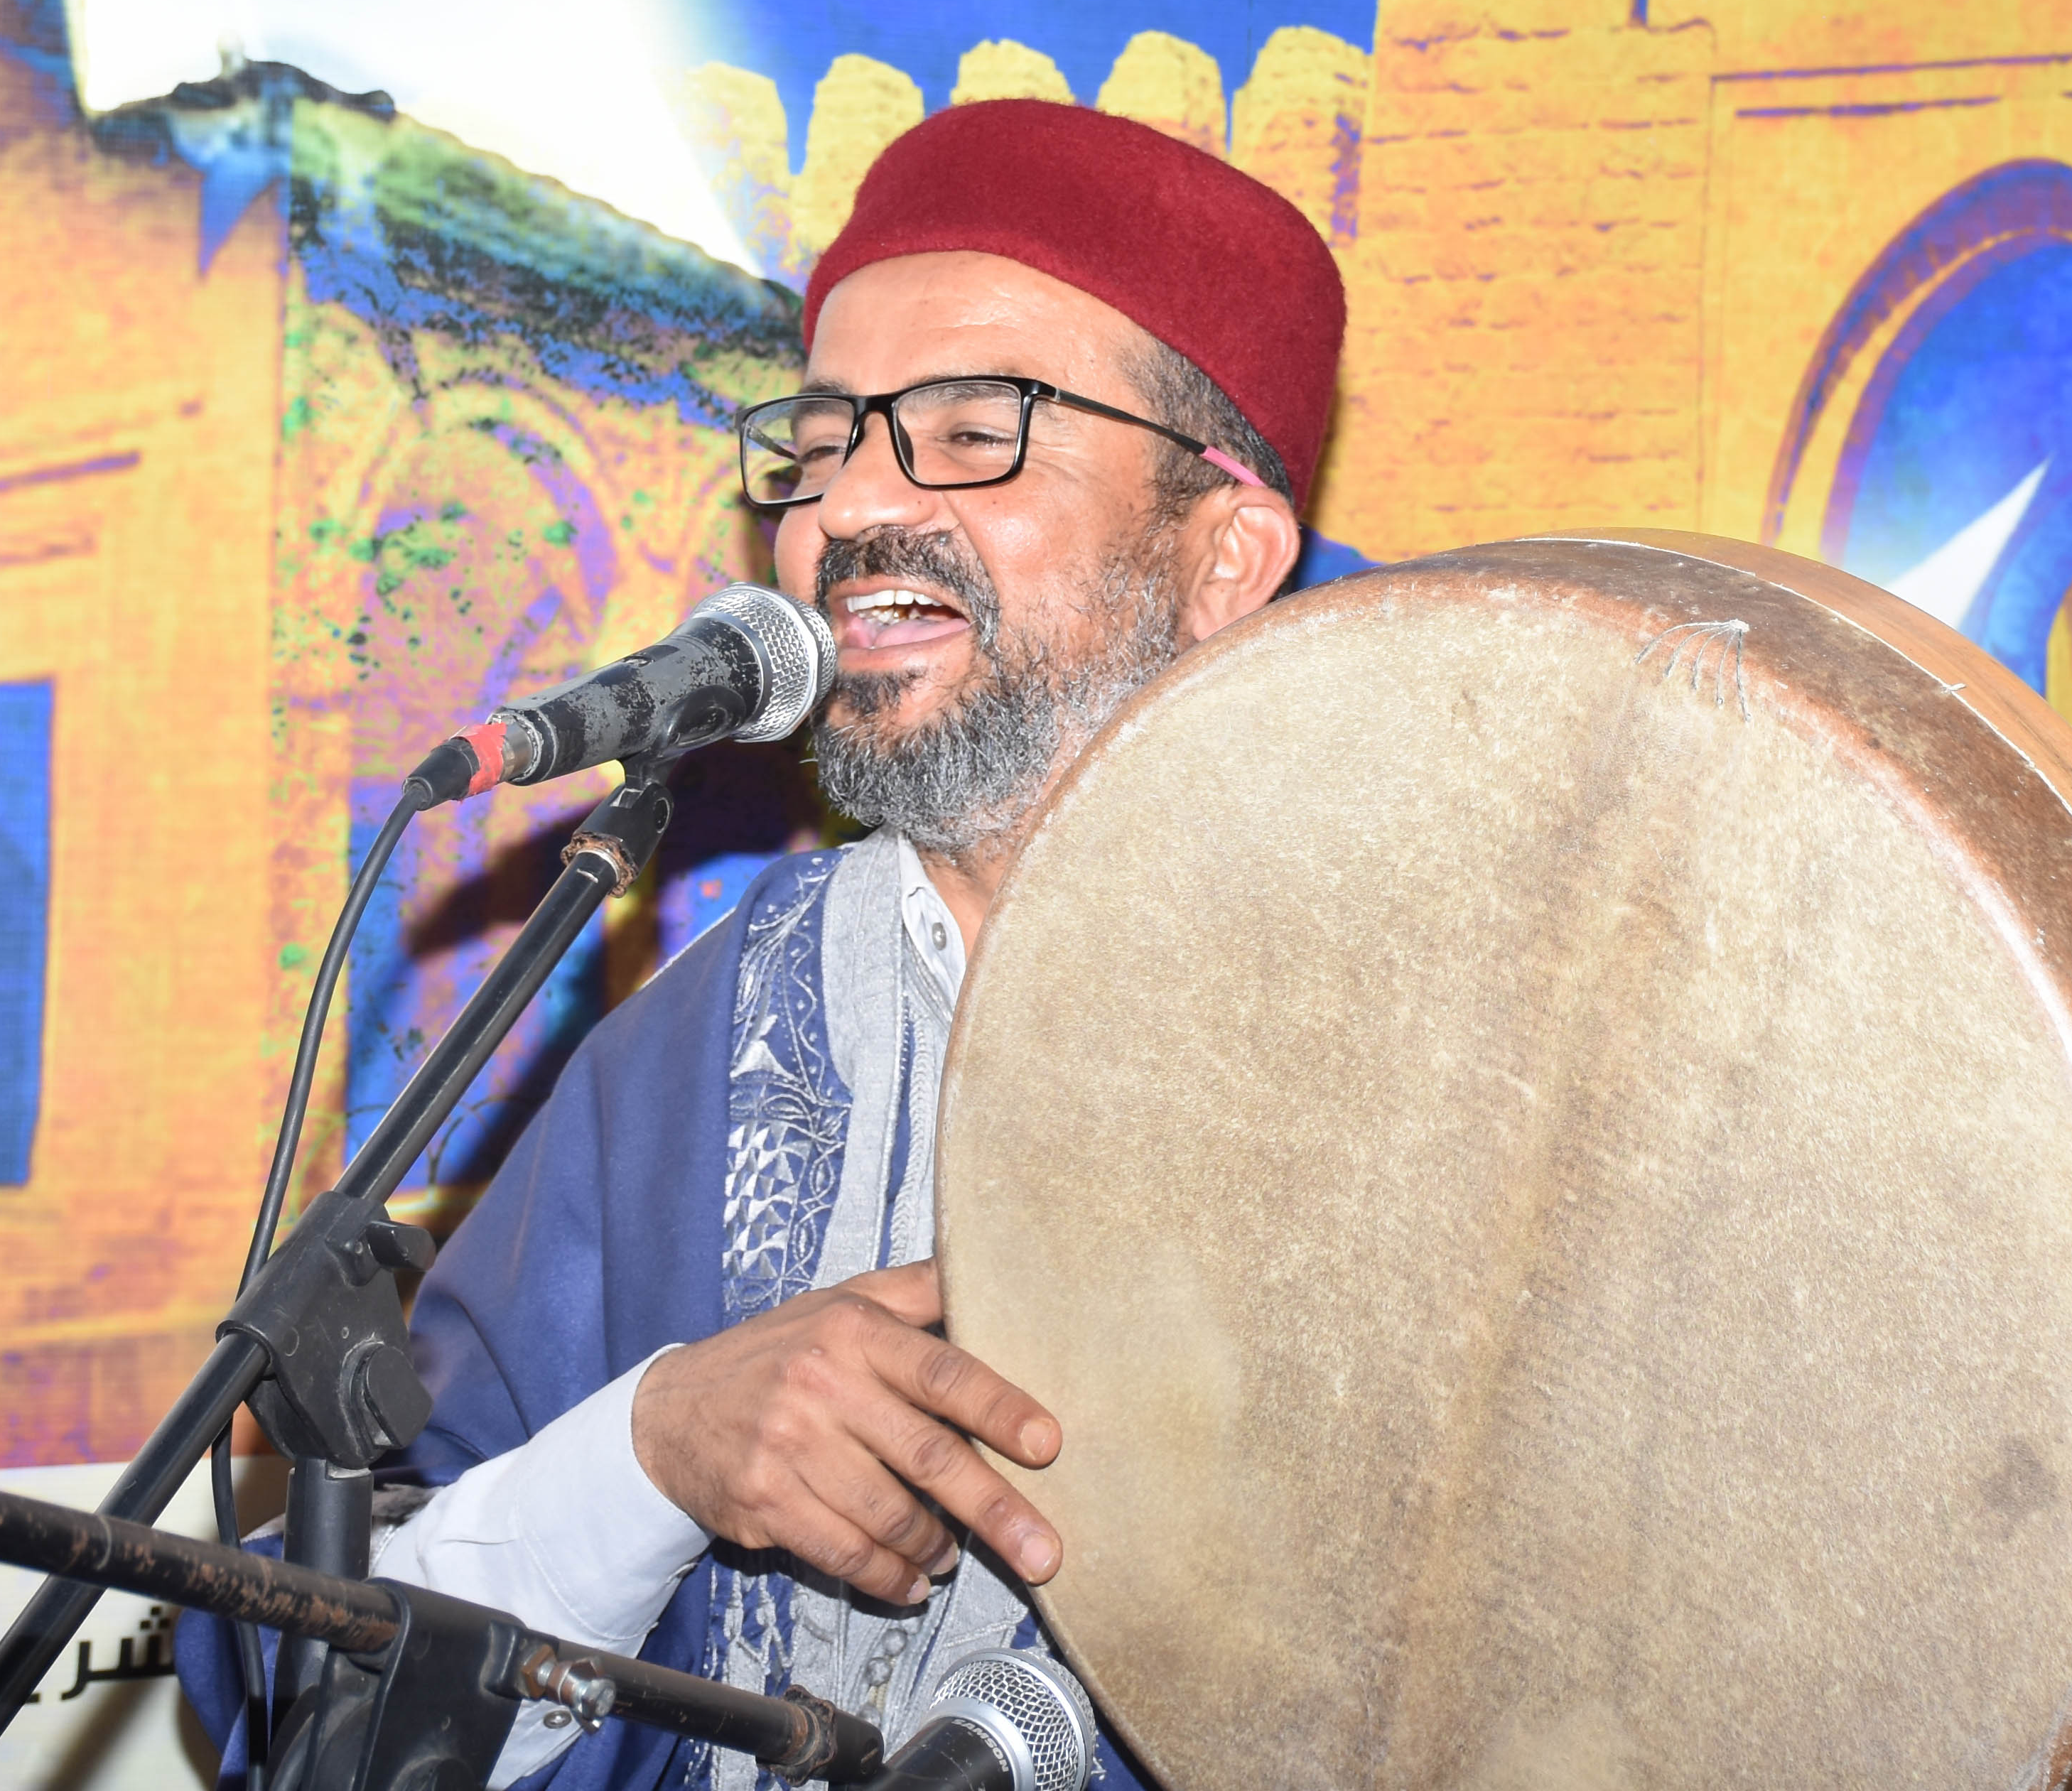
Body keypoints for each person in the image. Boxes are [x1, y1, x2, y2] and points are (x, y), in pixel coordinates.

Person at [182, 99, 1346, 1787]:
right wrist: (656, 1447)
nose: (845, 505)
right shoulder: (699, 1043)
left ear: (1221, 550)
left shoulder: (1453, 1050)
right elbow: (321, 1692)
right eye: (817, 443)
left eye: (971, 428)